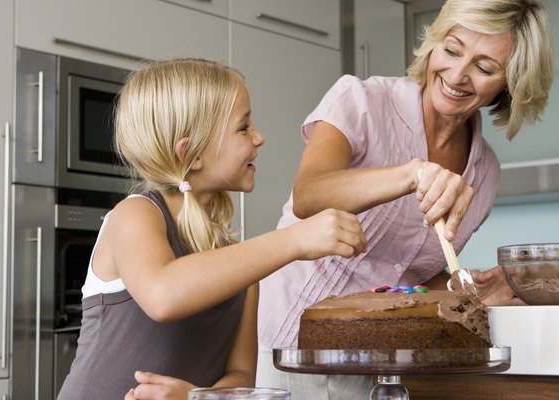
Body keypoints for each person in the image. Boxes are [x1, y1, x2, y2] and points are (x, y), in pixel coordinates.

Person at [256, 0, 554, 398]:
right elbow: (308, 196)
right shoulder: (362, 101)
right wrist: (410, 174)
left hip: (377, 367)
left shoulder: (484, 173)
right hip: (281, 350)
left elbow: (410, 280)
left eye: (484, 68)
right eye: (450, 50)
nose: (457, 75)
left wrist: (461, 291)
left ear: (511, 84)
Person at [55, 58, 367, 400]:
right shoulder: (135, 214)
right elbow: (163, 295)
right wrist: (294, 239)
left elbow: (240, 375)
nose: (260, 137)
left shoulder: (238, 261)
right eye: (243, 127)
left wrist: (195, 396)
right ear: (192, 153)